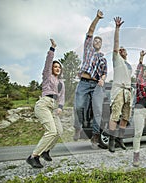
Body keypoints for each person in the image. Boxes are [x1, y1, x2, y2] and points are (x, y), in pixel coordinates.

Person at [26, 39, 65, 168]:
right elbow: (48, 63)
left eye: (59, 67)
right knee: (52, 131)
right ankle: (34, 156)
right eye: (55, 66)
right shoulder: (48, 76)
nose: (57, 68)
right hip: (44, 104)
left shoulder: (61, 83)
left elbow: (62, 97)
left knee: (59, 131)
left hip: (53, 107)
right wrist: (52, 49)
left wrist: (60, 107)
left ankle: (46, 150)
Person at [73, 10, 107, 149]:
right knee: (80, 106)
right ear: (92, 42)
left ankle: (95, 135)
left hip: (97, 85)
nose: (97, 42)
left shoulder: (103, 58)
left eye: (99, 41)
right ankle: (77, 127)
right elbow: (90, 31)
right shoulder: (88, 49)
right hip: (84, 83)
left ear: (101, 44)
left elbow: (104, 72)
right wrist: (97, 18)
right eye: (95, 40)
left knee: (98, 110)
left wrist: (103, 79)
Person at [108, 16, 133, 153]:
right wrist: (117, 29)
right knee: (115, 116)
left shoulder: (128, 65)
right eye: (120, 49)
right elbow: (116, 44)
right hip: (118, 90)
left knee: (125, 117)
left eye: (124, 49)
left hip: (128, 92)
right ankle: (111, 141)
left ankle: (120, 139)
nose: (121, 50)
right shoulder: (116, 59)